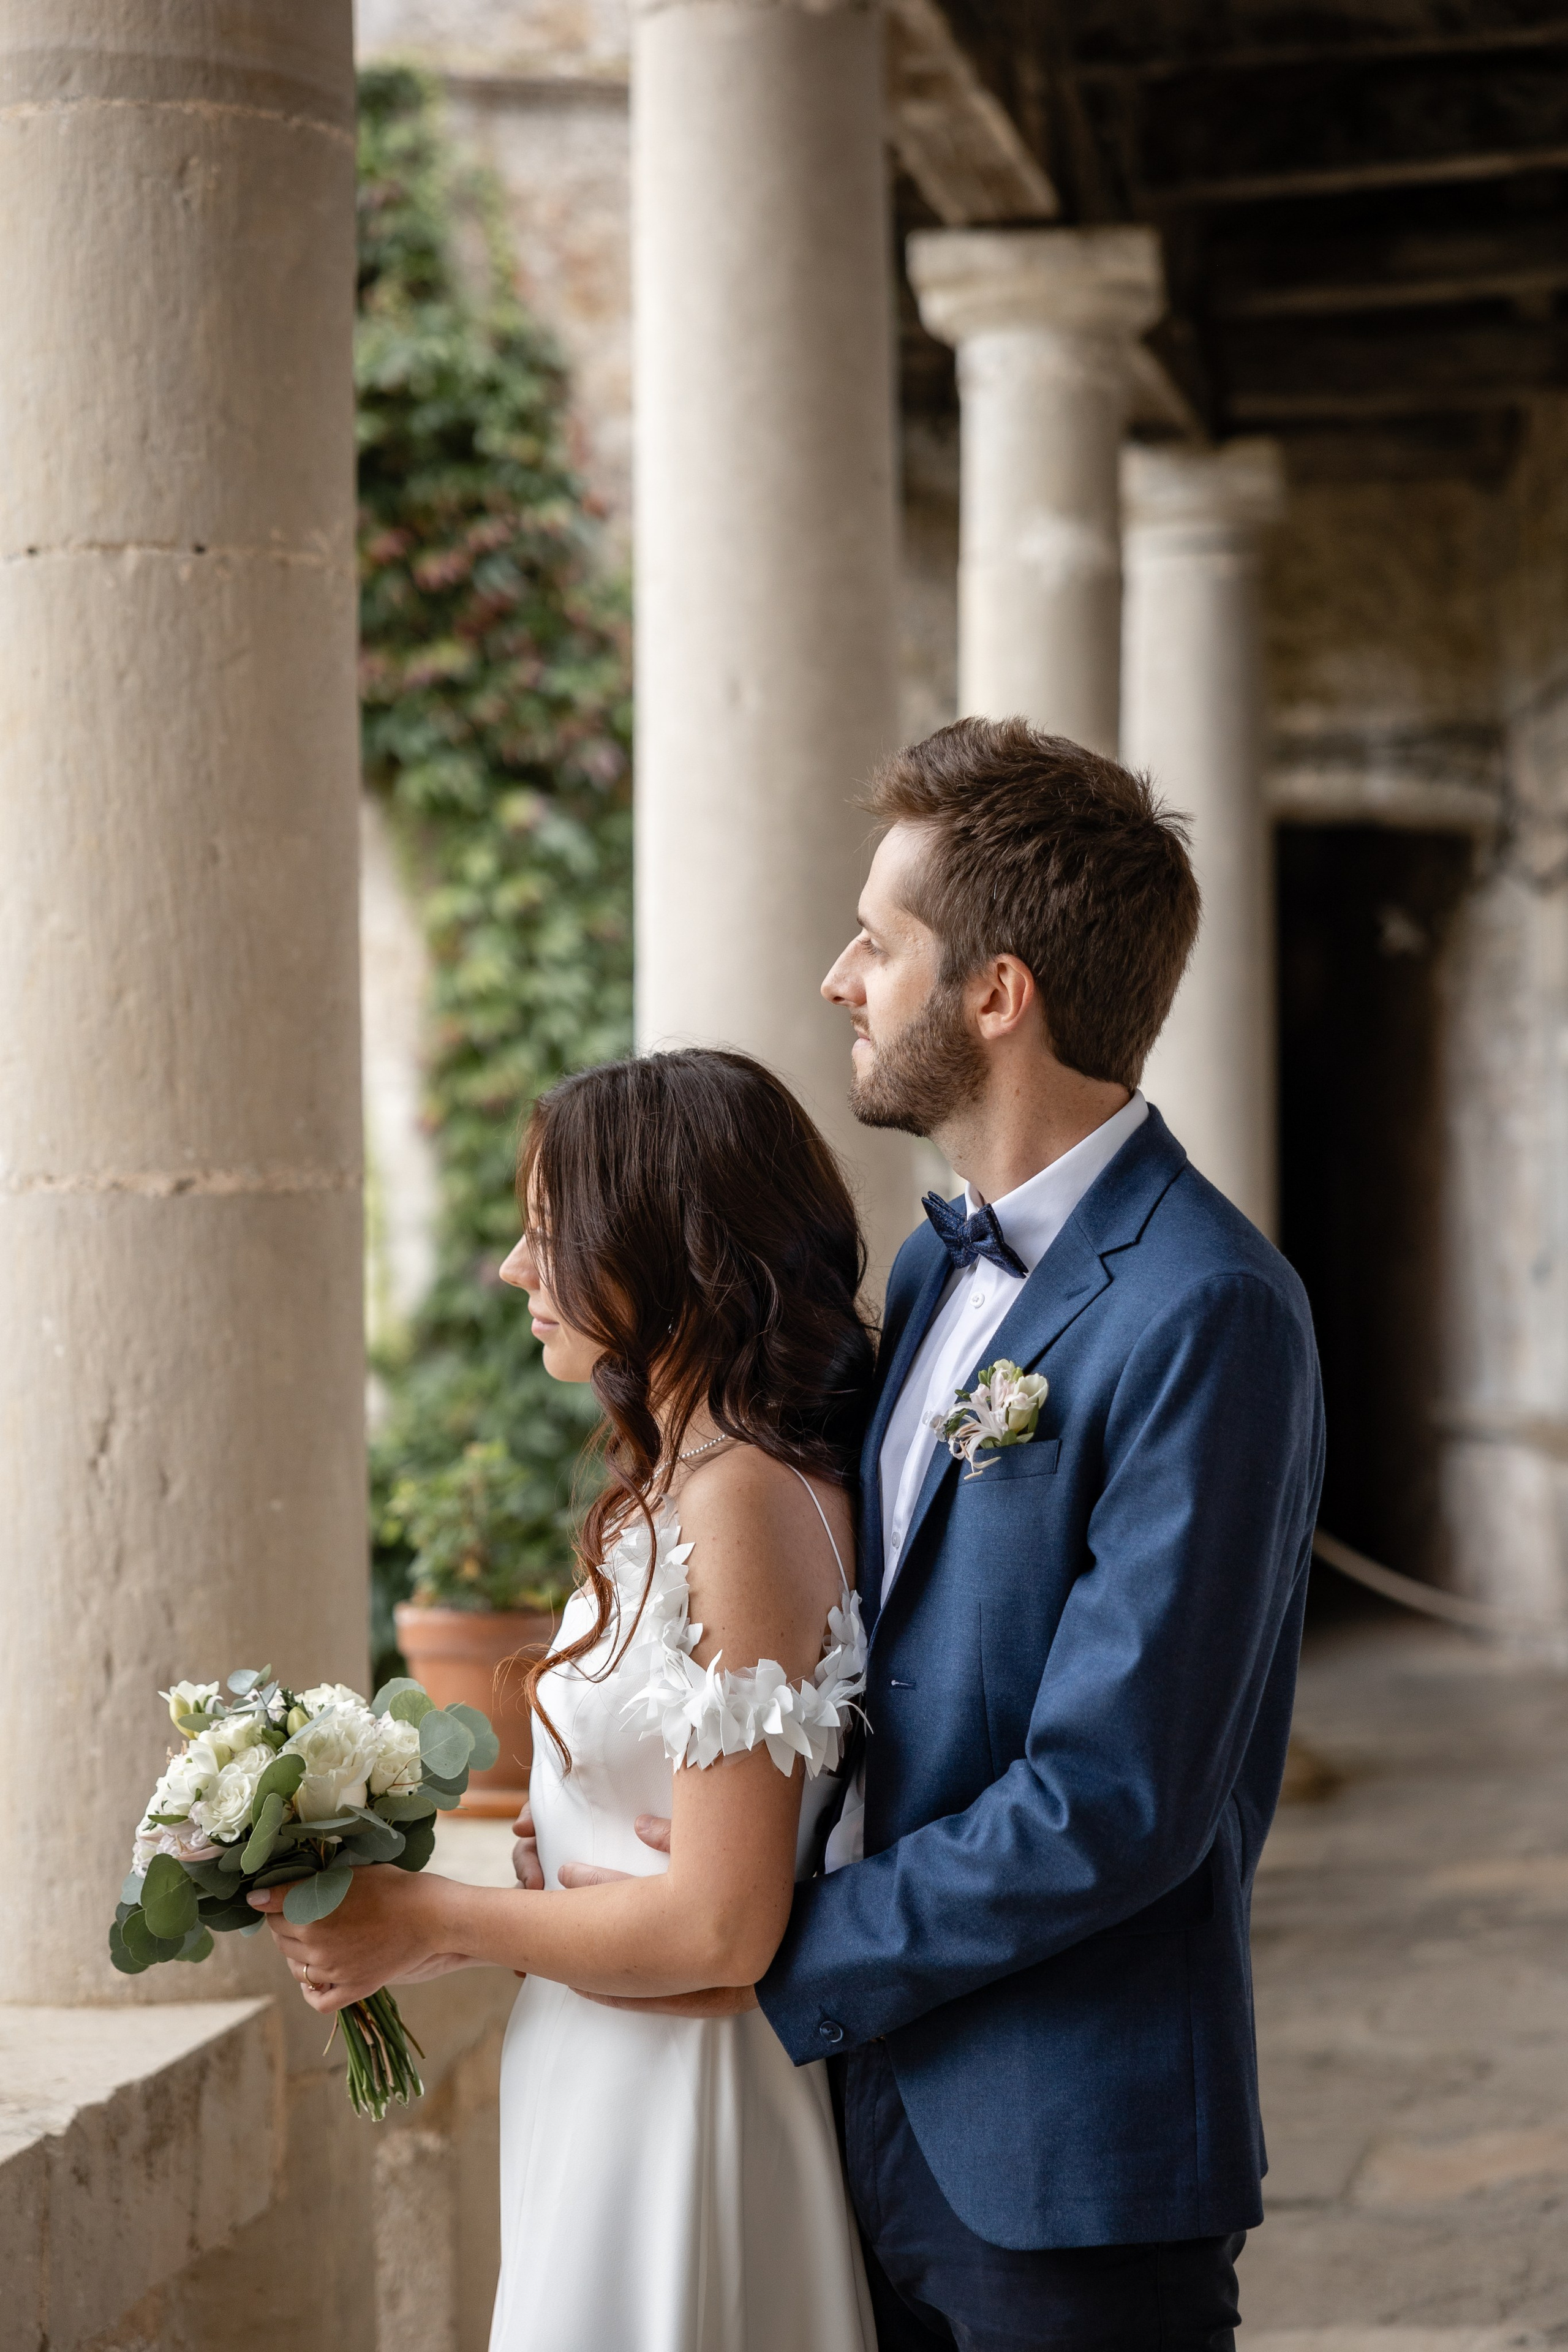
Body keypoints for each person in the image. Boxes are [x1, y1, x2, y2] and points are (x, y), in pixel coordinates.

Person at [523, 717, 1326, 2351]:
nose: (839, 978)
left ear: (996, 993)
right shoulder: (934, 1273)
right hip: (853, 2118)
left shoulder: (1209, 1310)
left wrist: (759, 1943)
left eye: (879, 943)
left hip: (1066, 2152)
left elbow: (1116, 1801)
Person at [252, 1047, 881, 2351]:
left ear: (666, 1249)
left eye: (548, 1232)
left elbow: (719, 1932)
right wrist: (554, 1852)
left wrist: (433, 1915)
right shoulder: (678, 1482)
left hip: (681, 2100)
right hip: (602, 2061)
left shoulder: (744, 1501)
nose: (512, 1270)